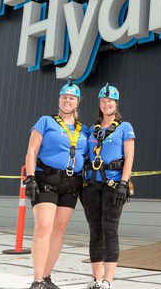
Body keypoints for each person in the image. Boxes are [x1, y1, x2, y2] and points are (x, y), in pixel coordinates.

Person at [23, 81, 89, 289]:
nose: (67, 100)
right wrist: (30, 178)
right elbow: (32, 151)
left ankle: (46, 277)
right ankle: (36, 281)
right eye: (64, 97)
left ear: (77, 102)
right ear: (59, 100)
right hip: (47, 180)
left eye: (71, 98)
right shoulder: (46, 121)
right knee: (44, 227)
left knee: (59, 230)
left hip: (71, 183)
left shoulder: (84, 130)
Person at [80, 84, 135, 289]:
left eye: (110, 101)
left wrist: (123, 183)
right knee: (95, 231)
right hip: (91, 185)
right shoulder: (92, 129)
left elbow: (129, 157)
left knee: (110, 230)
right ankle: (96, 279)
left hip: (113, 185)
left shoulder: (125, 127)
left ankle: (108, 281)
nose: (106, 104)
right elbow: (83, 156)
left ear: (116, 103)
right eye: (103, 101)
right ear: (100, 104)